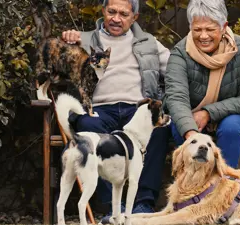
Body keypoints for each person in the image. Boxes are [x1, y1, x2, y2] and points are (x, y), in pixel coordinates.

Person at [61, 0, 170, 222]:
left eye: (123, 14)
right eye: (111, 12)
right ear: (103, 11)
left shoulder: (149, 43)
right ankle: (114, 207)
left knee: (158, 131)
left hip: (136, 108)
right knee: (88, 128)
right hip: (99, 109)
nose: (116, 19)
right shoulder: (84, 39)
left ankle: (143, 204)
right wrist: (68, 41)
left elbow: (175, 70)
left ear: (134, 17)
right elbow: (59, 63)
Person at [164, 0, 240, 168]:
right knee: (181, 128)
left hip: (232, 114)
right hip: (190, 114)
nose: (203, 36)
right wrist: (192, 134)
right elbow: (176, 98)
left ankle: (226, 185)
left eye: (210, 29)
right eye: (197, 30)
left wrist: (208, 113)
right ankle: (189, 187)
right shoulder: (180, 53)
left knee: (231, 128)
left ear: (223, 27)